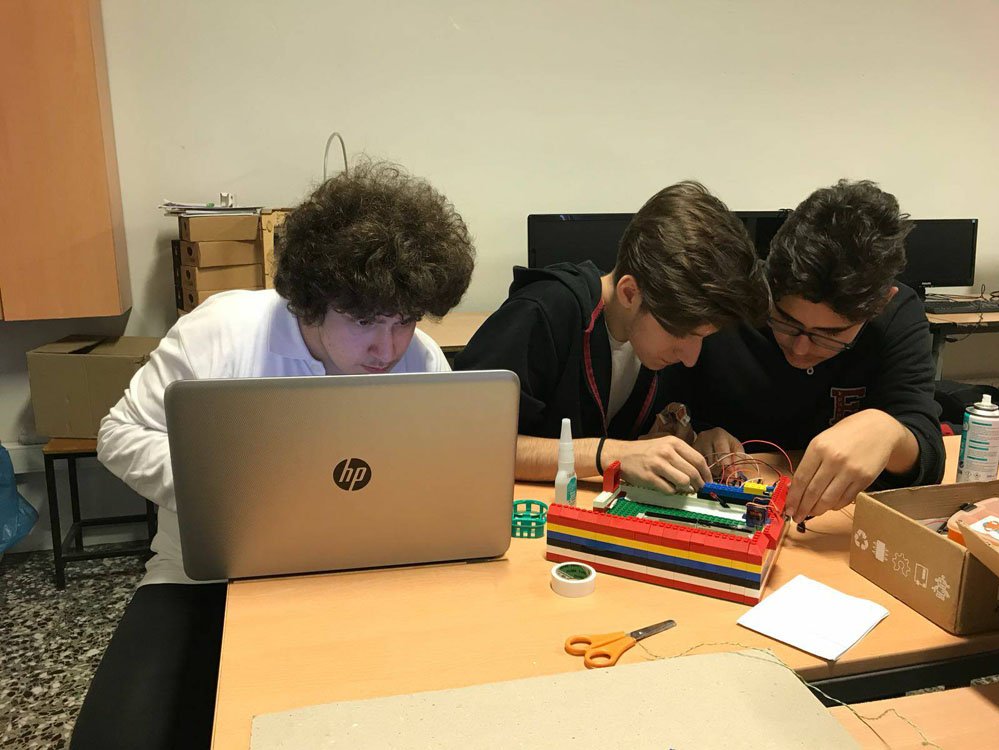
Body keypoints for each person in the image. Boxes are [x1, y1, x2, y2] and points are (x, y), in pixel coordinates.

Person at [70, 160, 476, 750]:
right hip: (205, 578)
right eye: (364, 321)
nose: (387, 348)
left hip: (367, 572)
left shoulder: (422, 360)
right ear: (310, 302)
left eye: (404, 321)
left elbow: (436, 474)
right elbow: (120, 434)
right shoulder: (220, 333)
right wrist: (224, 495)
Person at [454, 181, 770, 495]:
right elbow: (471, 444)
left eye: (702, 337)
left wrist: (699, 440)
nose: (690, 357)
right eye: (681, 334)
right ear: (629, 292)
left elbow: (649, 442)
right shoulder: (543, 312)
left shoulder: (667, 327)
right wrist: (611, 454)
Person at [666, 179, 945, 523]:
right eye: (785, 321)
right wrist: (696, 433)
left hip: (832, 523)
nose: (800, 349)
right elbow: (666, 413)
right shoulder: (732, 301)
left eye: (830, 335)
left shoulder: (897, 315)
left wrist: (890, 434)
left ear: (880, 305)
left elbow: (929, 457)